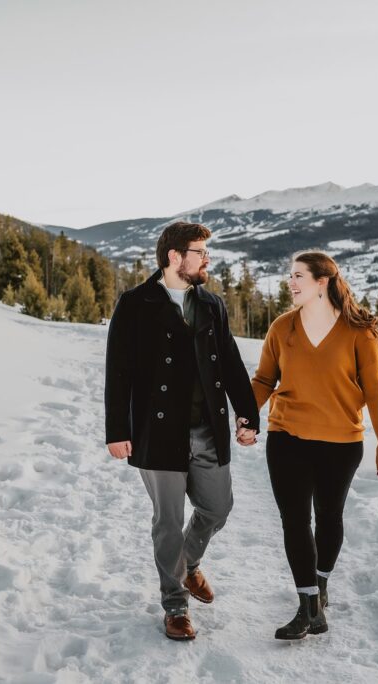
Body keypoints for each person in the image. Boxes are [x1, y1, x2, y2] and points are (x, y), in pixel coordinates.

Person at [105, 221, 260, 641]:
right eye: (200, 252)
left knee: (217, 507)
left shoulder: (210, 304)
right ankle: (175, 604)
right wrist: (117, 430)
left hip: (207, 429)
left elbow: (228, 362)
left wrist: (247, 414)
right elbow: (118, 372)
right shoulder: (135, 304)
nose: (207, 260)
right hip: (159, 435)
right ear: (175, 257)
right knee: (168, 522)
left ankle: (188, 564)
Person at [249, 251, 378, 640]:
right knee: (294, 520)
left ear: (322, 282)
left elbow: (376, 392)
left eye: (298, 275)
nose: (290, 283)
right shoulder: (283, 328)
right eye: (289, 276)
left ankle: (322, 580)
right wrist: (248, 416)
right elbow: (264, 379)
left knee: (329, 517)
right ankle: (308, 606)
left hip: (341, 443)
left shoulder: (358, 332)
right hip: (287, 438)